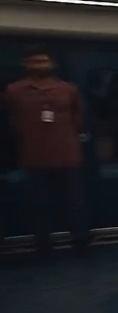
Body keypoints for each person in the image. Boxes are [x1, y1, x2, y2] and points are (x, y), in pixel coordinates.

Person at [1, 45, 89, 259]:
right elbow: (8, 121)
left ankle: (80, 245)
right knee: (38, 206)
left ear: (52, 64)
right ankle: (43, 249)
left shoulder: (68, 89)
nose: (40, 65)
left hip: (68, 155)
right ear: (25, 65)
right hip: (33, 157)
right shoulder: (14, 91)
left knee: (74, 203)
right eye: (35, 61)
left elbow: (78, 119)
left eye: (44, 61)